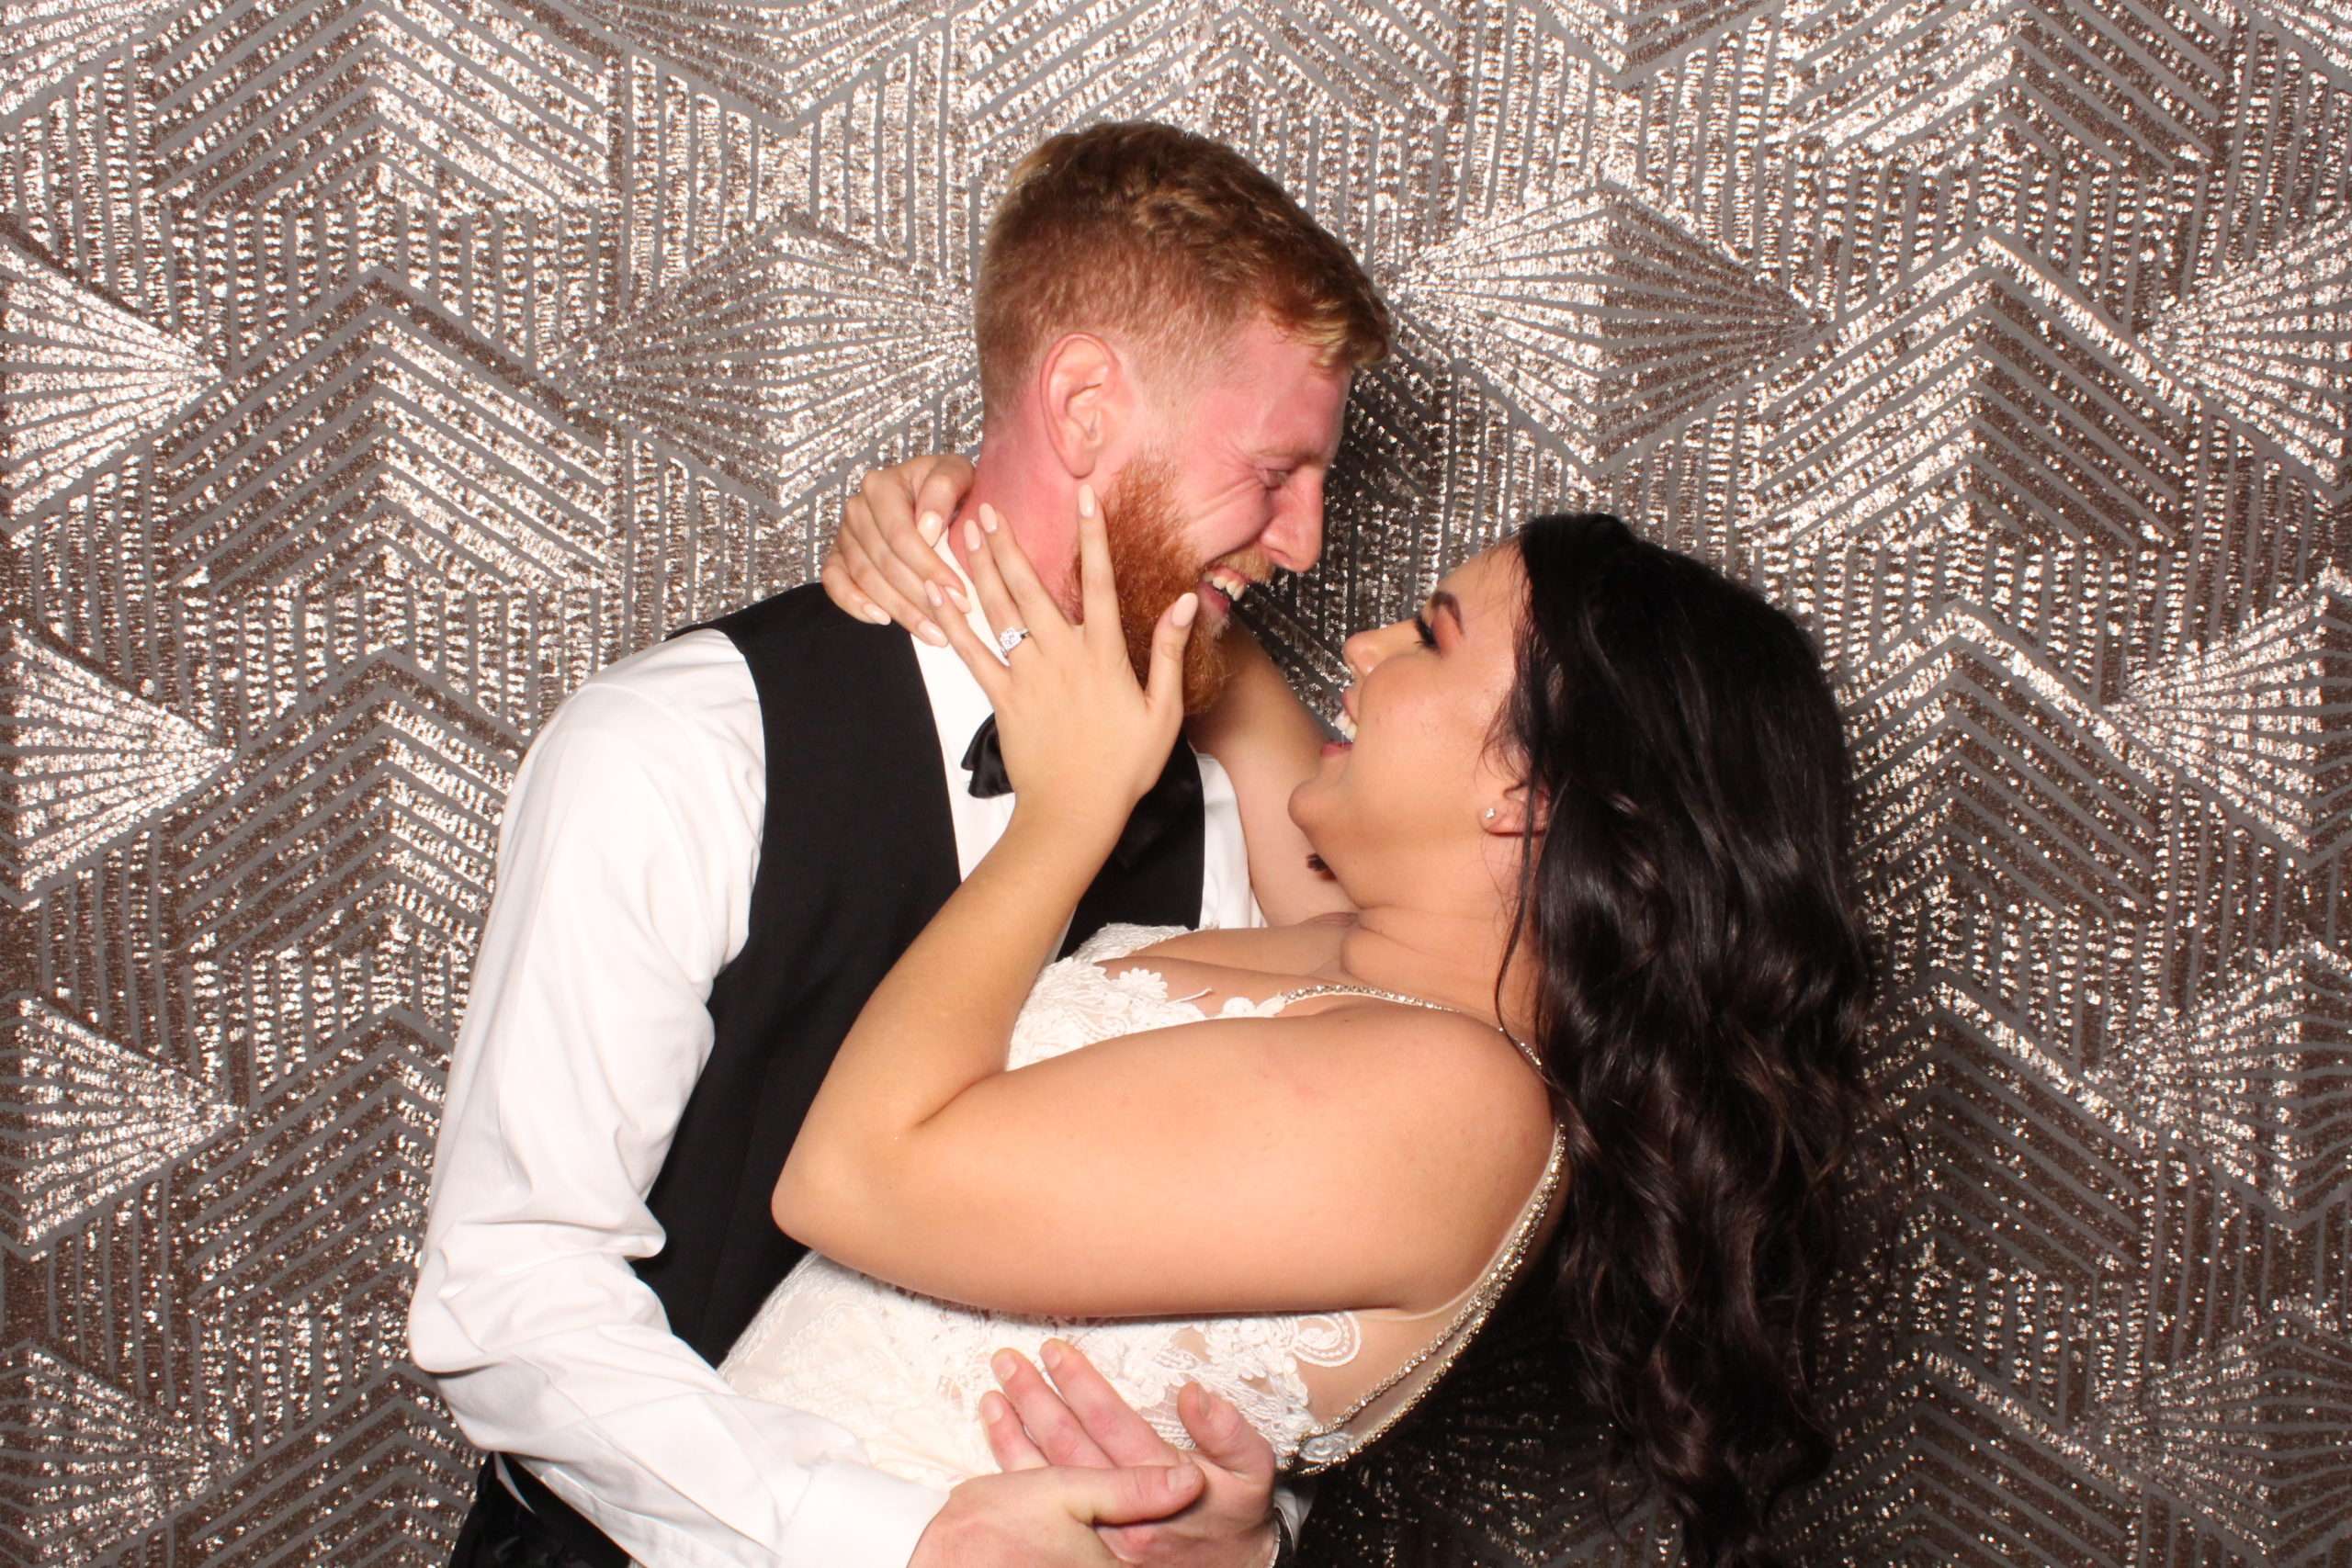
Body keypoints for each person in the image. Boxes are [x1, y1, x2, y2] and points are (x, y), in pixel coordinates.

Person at [407, 120, 1387, 1568]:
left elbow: (1222, 1300)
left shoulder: (1232, 804)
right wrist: (893, 1538)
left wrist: (1239, 1526)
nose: (1305, 541)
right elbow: (509, 1287)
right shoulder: (676, 750)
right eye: (1274, 469)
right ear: (1086, 405)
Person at [807, 493, 1879, 1568]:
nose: (1363, 647)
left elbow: (848, 1179)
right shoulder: (1353, 953)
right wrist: (972, 518)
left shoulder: (1452, 1100)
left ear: (1522, 788)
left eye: (1430, 635)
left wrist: (1064, 816)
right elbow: (1193, 644)